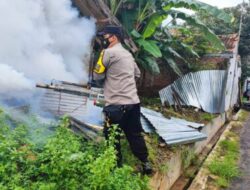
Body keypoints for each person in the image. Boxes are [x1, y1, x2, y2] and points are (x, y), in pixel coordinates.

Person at [93, 25, 152, 174]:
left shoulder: (107, 53)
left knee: (112, 136)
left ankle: (114, 169)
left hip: (115, 107)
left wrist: (108, 81)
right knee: (134, 134)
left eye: (104, 36)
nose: (102, 39)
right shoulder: (128, 54)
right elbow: (137, 74)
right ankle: (146, 163)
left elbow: (97, 76)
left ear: (113, 37)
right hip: (133, 103)